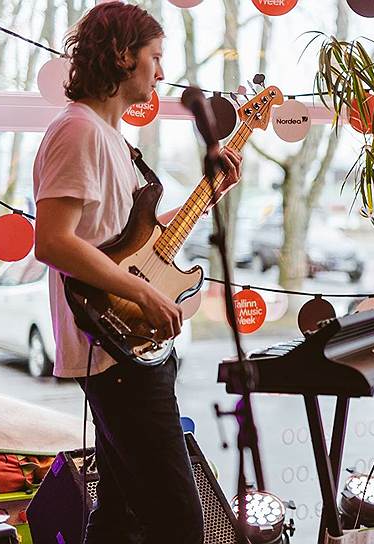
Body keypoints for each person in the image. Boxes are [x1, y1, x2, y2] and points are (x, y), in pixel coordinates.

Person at [31, 3, 242, 542]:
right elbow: (53, 241)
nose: (162, 72)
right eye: (155, 57)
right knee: (180, 523)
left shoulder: (109, 138)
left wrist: (211, 193)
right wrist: (142, 295)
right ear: (124, 55)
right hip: (114, 350)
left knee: (119, 520)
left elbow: (132, 243)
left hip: (125, 350)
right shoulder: (78, 131)